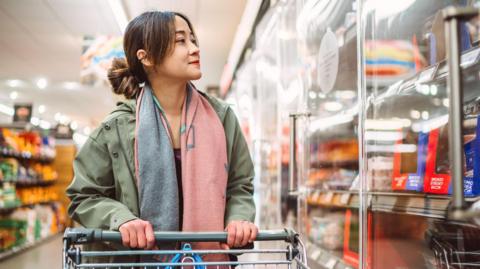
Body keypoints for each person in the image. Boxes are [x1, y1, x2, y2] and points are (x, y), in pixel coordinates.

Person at [66, 11, 257, 263]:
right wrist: (121, 219)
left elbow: (239, 185)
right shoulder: (116, 128)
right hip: (138, 262)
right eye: (181, 41)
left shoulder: (222, 118)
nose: (194, 48)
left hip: (206, 262)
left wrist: (238, 218)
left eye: (193, 39)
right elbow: (84, 194)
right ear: (146, 57)